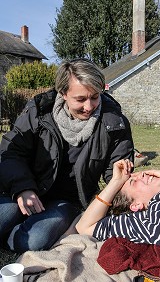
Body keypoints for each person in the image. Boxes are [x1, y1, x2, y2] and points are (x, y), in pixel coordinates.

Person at [0, 58, 134, 253]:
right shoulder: (39, 111)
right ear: (63, 93)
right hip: (24, 188)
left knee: (32, 241)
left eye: (95, 97)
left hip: (68, 201)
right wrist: (23, 188)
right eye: (80, 99)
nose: (89, 107)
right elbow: (11, 152)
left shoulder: (114, 123)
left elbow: (117, 174)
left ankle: (13, 236)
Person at [76, 136, 160, 266]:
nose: (141, 174)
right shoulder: (145, 222)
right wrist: (115, 182)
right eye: (133, 181)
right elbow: (84, 226)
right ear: (135, 205)